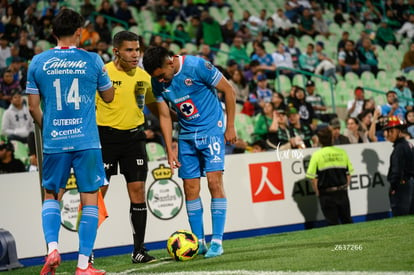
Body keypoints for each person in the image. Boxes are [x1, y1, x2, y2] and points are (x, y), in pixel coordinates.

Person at [26, 9, 114, 275]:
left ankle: (52, 247)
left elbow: (32, 108)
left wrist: (51, 127)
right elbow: (109, 97)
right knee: (89, 199)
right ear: (79, 32)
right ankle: (82, 265)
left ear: (53, 33)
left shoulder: (38, 62)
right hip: (86, 140)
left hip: (55, 141)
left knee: (51, 195)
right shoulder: (94, 60)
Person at [142, 46, 237, 258]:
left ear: (169, 62)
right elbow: (165, 117)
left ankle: (217, 242)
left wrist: (230, 126)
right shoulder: (156, 81)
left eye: (161, 76)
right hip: (186, 137)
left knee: (214, 182)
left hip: (211, 131)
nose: (161, 81)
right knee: (190, 188)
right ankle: (198, 242)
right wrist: (170, 149)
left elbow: (229, 90)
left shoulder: (197, 66)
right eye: (156, 78)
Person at [95, 30, 158, 264]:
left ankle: (138, 250)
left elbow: (155, 105)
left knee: (138, 193)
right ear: (116, 51)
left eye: (137, 49)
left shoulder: (143, 77)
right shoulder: (102, 74)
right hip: (106, 140)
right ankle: (86, 254)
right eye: (129, 50)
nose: (135, 55)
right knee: (97, 197)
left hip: (134, 139)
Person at [306, 127, 354, 225]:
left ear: (319, 140)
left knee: (333, 224)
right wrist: (345, 187)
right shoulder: (342, 153)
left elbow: (313, 178)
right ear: (332, 138)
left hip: (326, 194)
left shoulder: (316, 155)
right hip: (342, 192)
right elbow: (348, 174)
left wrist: (318, 193)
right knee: (347, 221)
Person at [383, 116, 414, 216]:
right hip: (410, 184)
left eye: (390, 131)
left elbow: (397, 171)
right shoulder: (408, 145)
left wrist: (394, 187)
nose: (388, 134)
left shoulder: (399, 148)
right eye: (387, 131)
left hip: (402, 186)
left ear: (399, 131)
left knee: (401, 216)